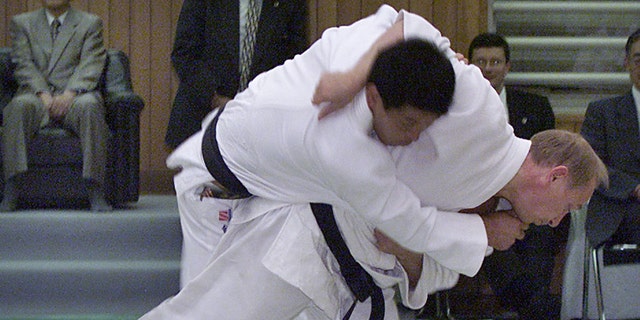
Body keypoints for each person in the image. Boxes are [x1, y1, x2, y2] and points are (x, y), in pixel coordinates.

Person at [140, 5, 607, 320]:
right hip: (253, 183)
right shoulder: (483, 115)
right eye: (569, 204)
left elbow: (416, 256)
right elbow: (410, 26)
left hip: (329, 254)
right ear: (555, 175)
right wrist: (353, 78)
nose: (560, 220)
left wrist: (479, 234)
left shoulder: (496, 222)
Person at [466, 32, 563, 319]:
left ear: (508, 66)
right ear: (470, 65)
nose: (488, 67)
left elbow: (550, 160)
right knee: (488, 228)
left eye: (495, 61)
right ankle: (533, 305)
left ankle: (529, 303)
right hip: (479, 198)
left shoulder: (535, 107)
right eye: (481, 61)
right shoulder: (455, 106)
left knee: (543, 228)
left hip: (529, 198)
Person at [0, 0, 111, 212]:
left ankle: (94, 187)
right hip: (36, 96)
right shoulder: (22, 23)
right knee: (17, 106)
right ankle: (12, 186)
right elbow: (23, 64)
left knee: (90, 106)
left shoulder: (90, 23)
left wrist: (69, 94)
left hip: (76, 95)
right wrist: (43, 94)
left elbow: (91, 63)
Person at [164, 0, 308, 149]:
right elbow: (184, 54)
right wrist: (215, 99)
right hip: (202, 119)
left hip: (262, 127)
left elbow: (295, 63)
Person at [581, 27, 640, 249]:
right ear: (627, 63)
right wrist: (635, 188)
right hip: (620, 207)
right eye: (638, 59)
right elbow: (592, 164)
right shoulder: (602, 112)